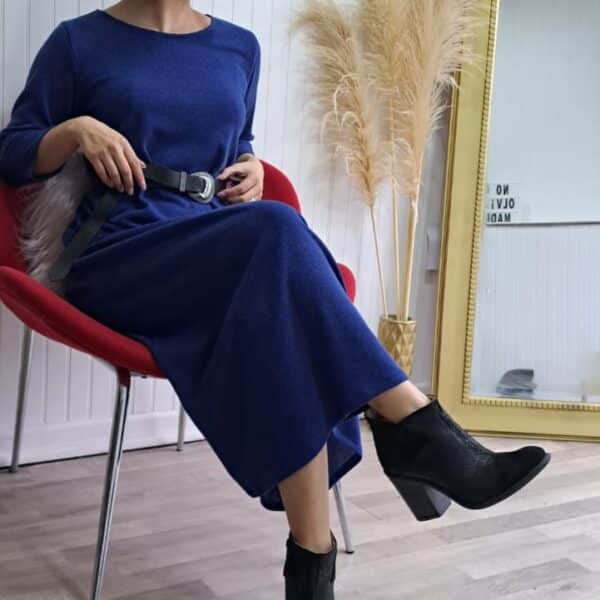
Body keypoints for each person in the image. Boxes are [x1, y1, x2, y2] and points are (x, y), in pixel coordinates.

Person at [0, 2, 550, 598]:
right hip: (119, 250)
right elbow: (13, 151)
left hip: (212, 243)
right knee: (278, 234)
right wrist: (76, 130)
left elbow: (238, 145)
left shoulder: (239, 47)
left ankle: (312, 560)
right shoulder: (78, 42)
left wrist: (251, 169)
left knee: (277, 319)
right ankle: (414, 426)